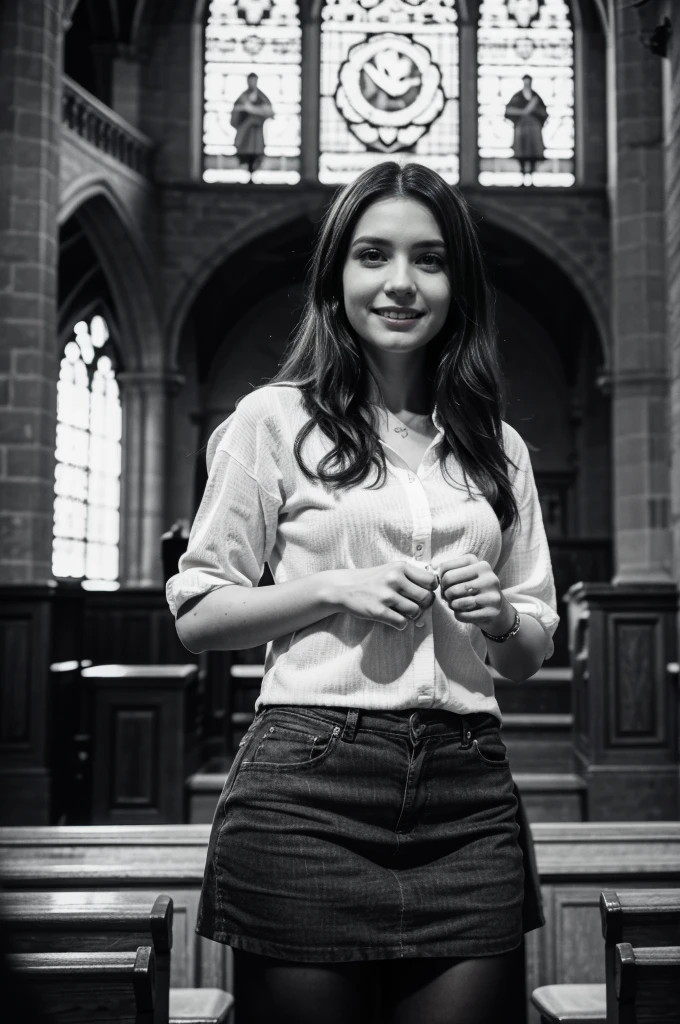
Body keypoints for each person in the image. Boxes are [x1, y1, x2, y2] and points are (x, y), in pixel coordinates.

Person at [166, 160, 559, 1024]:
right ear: (336, 274)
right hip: (307, 788)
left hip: (468, 792)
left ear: (458, 281)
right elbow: (197, 612)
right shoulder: (271, 422)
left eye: (429, 260)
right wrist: (334, 588)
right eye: (373, 255)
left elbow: (531, 651)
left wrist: (498, 616)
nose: (400, 284)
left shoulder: (500, 447)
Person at [504, 74, 548, 181]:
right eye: (525, 81)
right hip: (522, 128)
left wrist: (534, 112)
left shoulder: (536, 97)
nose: (527, 83)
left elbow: (544, 112)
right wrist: (523, 112)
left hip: (534, 128)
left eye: (529, 82)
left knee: (533, 150)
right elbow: (509, 111)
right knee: (521, 150)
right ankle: (523, 172)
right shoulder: (517, 97)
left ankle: (532, 173)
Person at [230, 72, 273, 178]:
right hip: (245, 131)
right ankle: (245, 164)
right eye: (250, 81)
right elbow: (236, 112)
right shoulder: (243, 97)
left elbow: (269, 111)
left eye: (254, 81)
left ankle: (255, 165)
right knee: (245, 150)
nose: (252, 83)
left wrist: (257, 111)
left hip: (256, 130)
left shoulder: (261, 97)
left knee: (256, 150)